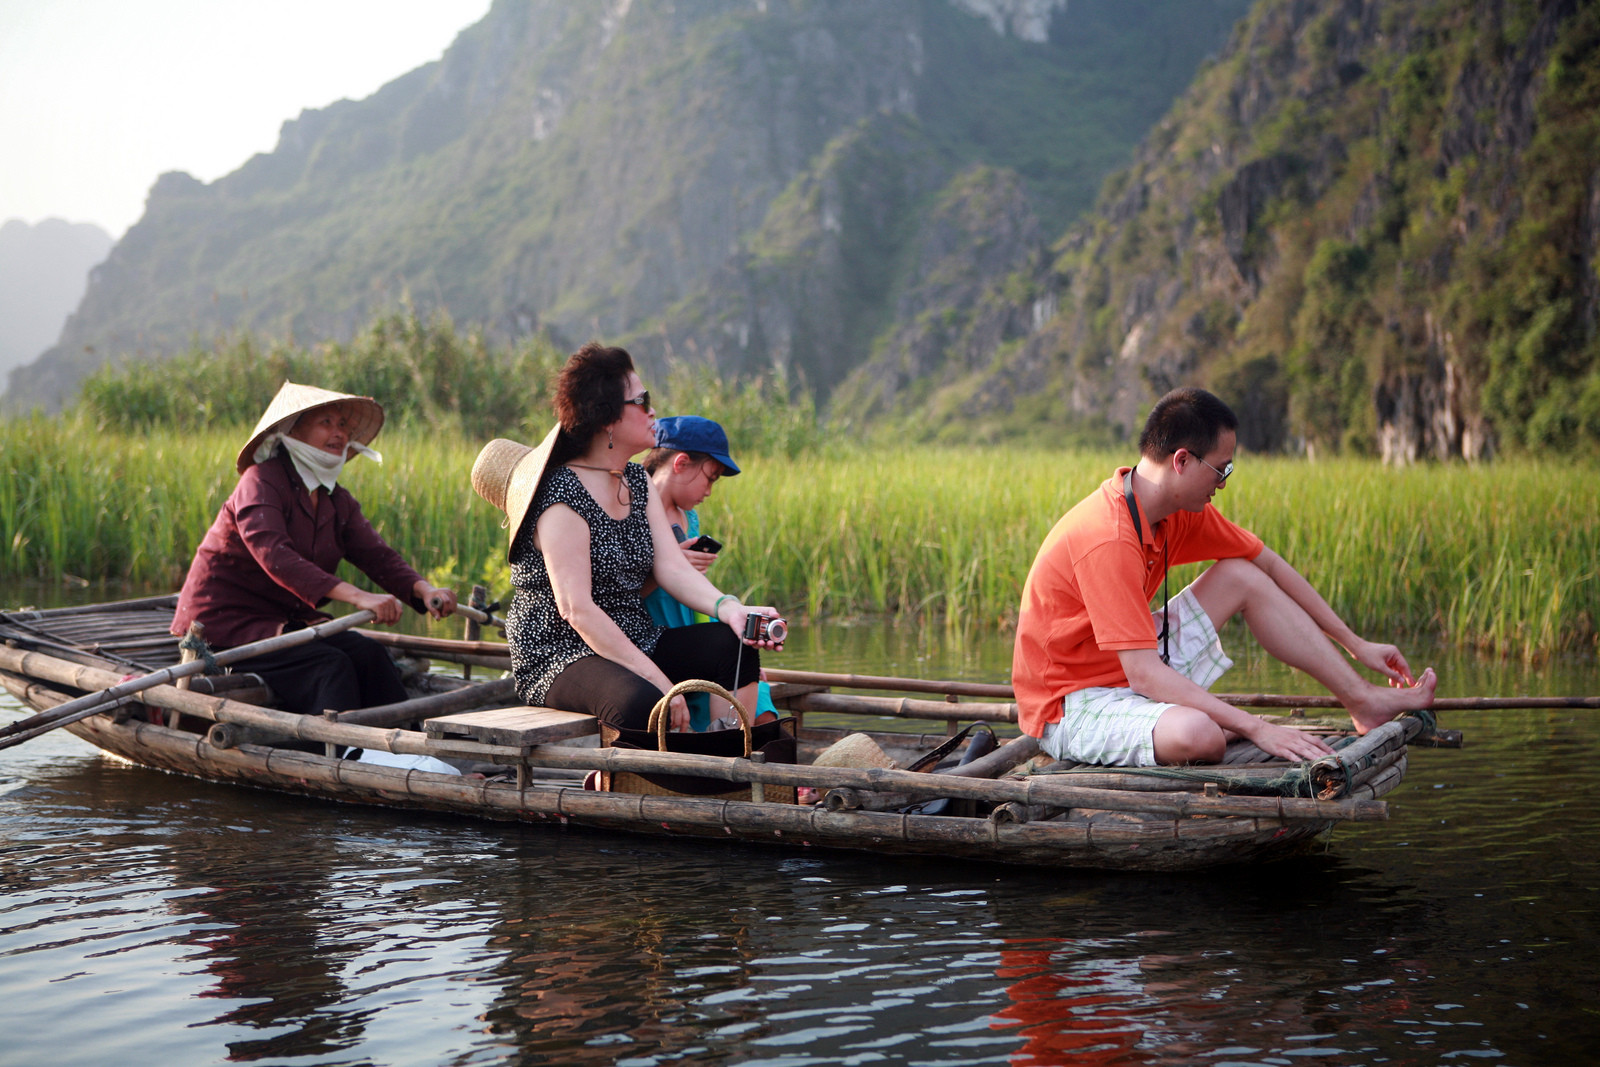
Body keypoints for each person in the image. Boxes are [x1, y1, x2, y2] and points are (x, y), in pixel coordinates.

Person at [1012, 386, 1437, 767]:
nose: (1223, 483)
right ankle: (1214, 721)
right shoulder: (1107, 537)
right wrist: (1257, 727)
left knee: (1240, 575)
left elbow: (1267, 564)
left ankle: (1360, 700)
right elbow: (1143, 673)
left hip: (1127, 668)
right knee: (1199, 736)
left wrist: (1357, 644)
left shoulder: (1176, 512)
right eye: (1222, 469)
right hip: (1071, 705)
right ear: (1181, 461)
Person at [471, 342, 782, 733]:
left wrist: (732, 610)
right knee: (647, 703)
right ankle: (641, 781)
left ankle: (723, 754)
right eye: (642, 400)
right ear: (607, 418)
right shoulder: (560, 496)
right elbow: (577, 610)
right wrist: (657, 679)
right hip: (562, 653)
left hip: (634, 637)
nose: (653, 410)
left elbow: (671, 568)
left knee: (733, 646)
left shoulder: (637, 480)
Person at [171, 382, 457, 718]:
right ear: (292, 430)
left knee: (370, 654)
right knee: (329, 665)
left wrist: (424, 590)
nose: (339, 433)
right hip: (229, 626)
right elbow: (275, 554)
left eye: (343, 426)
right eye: (326, 423)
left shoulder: (335, 498)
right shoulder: (260, 481)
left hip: (286, 623)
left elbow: (377, 555)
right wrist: (358, 597)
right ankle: (341, 756)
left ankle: (406, 746)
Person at [641, 414, 779, 730]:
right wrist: (670, 566)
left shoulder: (689, 518)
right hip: (655, 635)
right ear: (680, 463)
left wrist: (737, 654)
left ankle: (743, 764)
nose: (709, 490)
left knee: (761, 705)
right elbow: (618, 594)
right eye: (710, 478)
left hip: (693, 626)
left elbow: (698, 587)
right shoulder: (632, 510)